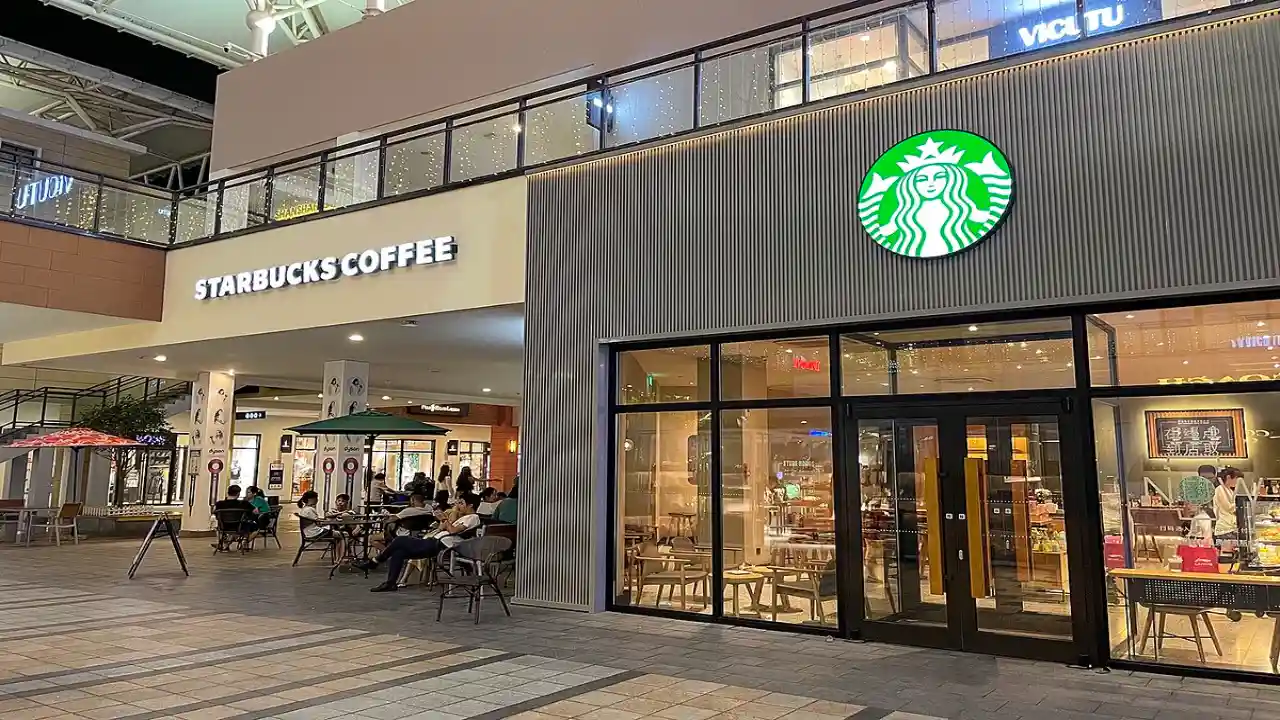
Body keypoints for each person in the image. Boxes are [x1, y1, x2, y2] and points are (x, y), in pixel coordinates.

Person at [356, 492, 483, 592]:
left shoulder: (473, 518)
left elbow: (453, 530)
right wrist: (442, 521)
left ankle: (375, 562)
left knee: (400, 540)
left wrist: (445, 519)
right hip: (435, 541)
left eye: (461, 503)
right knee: (398, 552)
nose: (459, 505)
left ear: (470, 505)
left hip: (440, 545)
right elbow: (445, 528)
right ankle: (390, 583)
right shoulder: (463, 517)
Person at [295, 490, 344, 558]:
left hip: (309, 532)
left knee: (336, 532)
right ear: (311, 499)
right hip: (315, 533)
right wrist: (330, 521)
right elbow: (319, 523)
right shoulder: (310, 510)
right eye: (316, 498)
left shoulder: (305, 509)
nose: (317, 500)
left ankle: (338, 557)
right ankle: (341, 557)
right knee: (341, 535)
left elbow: (316, 520)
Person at [212, 485, 254, 550]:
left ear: (228, 492)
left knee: (217, 525)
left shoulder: (219, 504)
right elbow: (255, 511)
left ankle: (224, 544)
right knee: (254, 526)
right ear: (238, 494)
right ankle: (244, 543)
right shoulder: (244, 503)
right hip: (239, 526)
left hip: (223, 526)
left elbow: (214, 512)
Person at [1213, 467, 1242, 545]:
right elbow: (1228, 507)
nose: (1237, 482)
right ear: (1228, 477)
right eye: (1236, 479)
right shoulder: (1220, 489)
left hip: (1231, 528)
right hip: (1224, 529)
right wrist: (1240, 505)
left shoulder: (1229, 490)